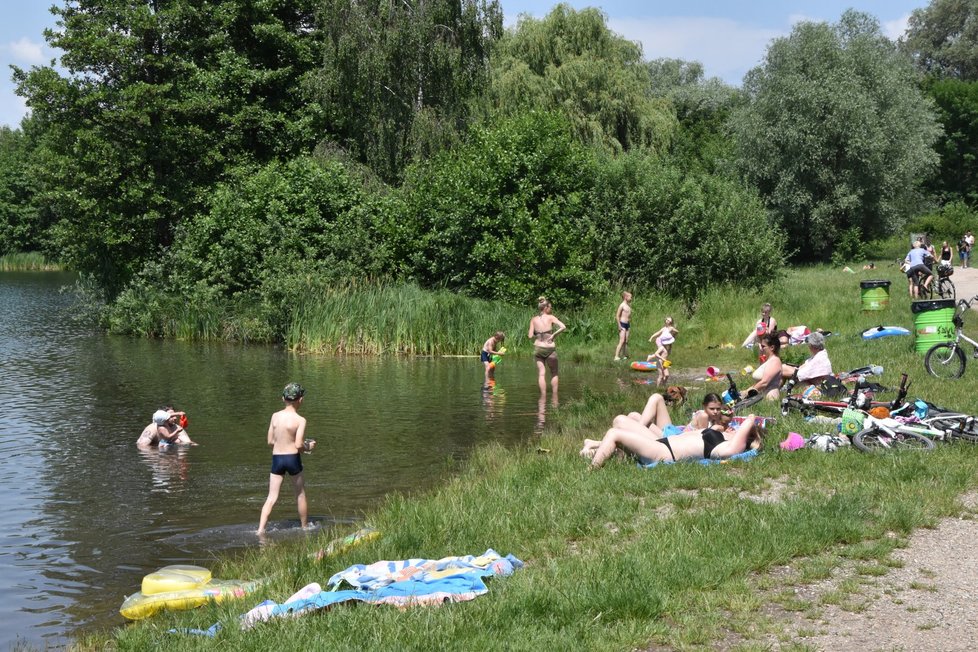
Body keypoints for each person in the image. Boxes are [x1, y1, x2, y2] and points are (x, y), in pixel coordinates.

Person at [587, 411, 760, 468]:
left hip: (664, 453)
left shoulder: (730, 447)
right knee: (621, 420)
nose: (737, 426)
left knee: (614, 433)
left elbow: (736, 444)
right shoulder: (726, 434)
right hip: (662, 443)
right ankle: (597, 450)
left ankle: (591, 471)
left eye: (742, 428)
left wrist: (751, 419)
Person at [258, 383, 316, 534]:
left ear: (283, 398)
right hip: (292, 459)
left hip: (277, 458)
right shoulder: (300, 420)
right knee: (300, 494)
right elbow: (298, 444)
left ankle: (260, 529)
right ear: (300, 400)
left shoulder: (275, 416)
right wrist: (308, 447)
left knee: (271, 497)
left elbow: (270, 441)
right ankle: (304, 527)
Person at [528, 296, 566, 398]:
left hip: (538, 347)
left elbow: (530, 336)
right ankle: (554, 398)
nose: (551, 309)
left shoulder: (533, 319)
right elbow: (563, 327)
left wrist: (538, 335)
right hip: (549, 347)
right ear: (546, 308)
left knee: (541, 373)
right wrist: (553, 335)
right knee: (554, 372)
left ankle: (543, 397)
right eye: (550, 307)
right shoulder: (551, 317)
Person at [745, 333, 782, 401]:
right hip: (762, 397)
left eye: (763, 346)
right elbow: (759, 382)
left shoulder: (775, 361)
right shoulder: (769, 361)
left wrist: (746, 393)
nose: (761, 348)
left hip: (770, 398)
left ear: (772, 347)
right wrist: (746, 390)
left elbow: (764, 382)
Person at [647, 317, 677, 386]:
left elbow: (676, 332)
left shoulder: (667, 346)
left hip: (664, 363)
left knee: (667, 375)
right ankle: (657, 388)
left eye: (669, 320)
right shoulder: (662, 347)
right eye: (667, 320)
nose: (667, 321)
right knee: (660, 376)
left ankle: (663, 385)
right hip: (660, 362)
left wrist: (673, 336)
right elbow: (656, 354)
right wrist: (651, 337)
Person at [613, 291, 632, 361]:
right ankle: (616, 356)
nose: (631, 298)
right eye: (630, 297)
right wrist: (619, 325)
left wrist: (629, 325)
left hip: (627, 325)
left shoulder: (628, 305)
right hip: (622, 324)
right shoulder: (622, 305)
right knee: (622, 340)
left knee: (626, 341)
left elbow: (629, 316)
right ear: (625, 297)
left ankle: (624, 355)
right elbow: (617, 316)